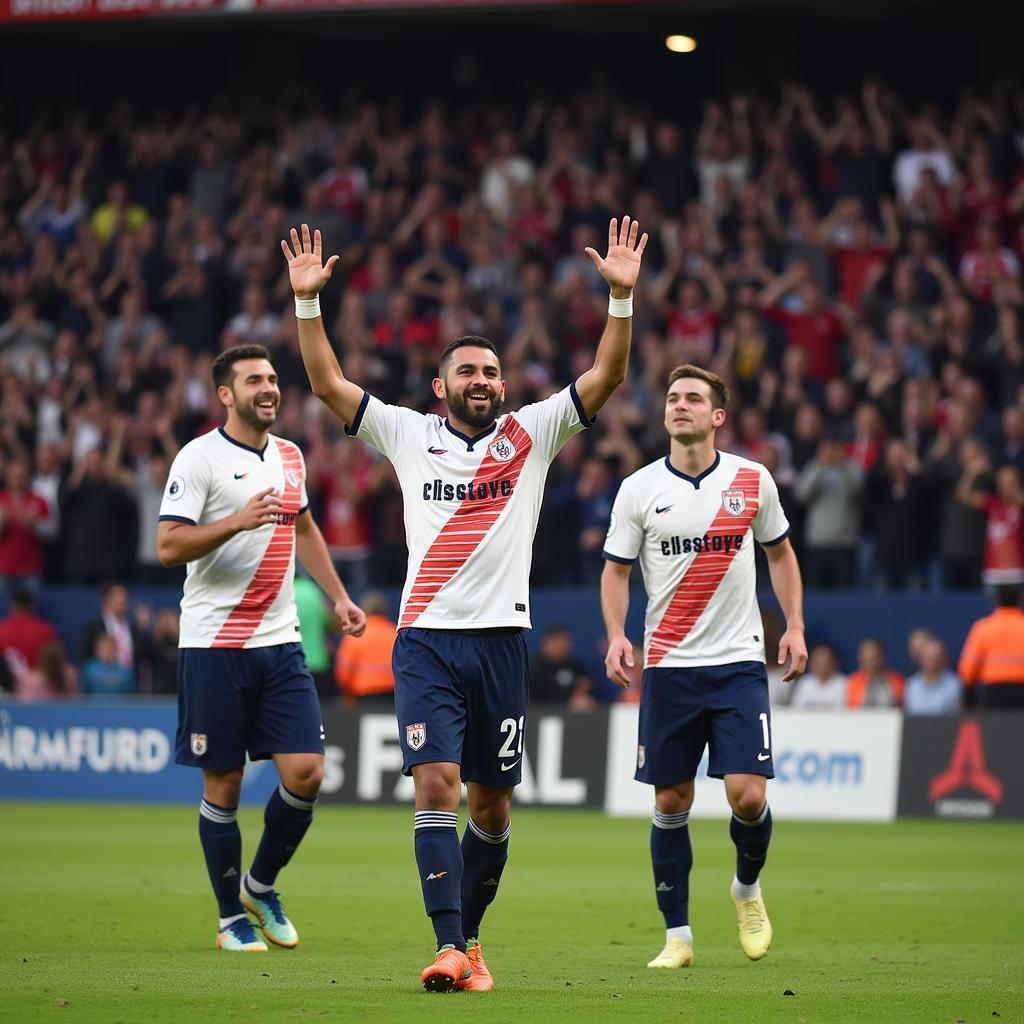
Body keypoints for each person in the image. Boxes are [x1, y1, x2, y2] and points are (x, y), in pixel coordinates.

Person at [283, 217, 647, 991]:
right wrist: (309, 307)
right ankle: (448, 945)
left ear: (502, 385)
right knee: (436, 787)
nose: (481, 381)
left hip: (502, 644)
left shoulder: (532, 434)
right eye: (467, 373)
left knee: (491, 812)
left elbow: (607, 378)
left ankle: (471, 941)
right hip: (425, 642)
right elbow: (325, 385)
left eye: (491, 372)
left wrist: (619, 300)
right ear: (441, 386)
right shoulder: (411, 436)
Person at [156, 343, 367, 954]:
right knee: (222, 786)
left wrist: (338, 597)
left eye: (273, 379)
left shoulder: (291, 456)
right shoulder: (198, 459)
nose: (269, 388)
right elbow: (169, 546)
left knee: (307, 773)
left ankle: (260, 884)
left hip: (280, 643)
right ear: (226, 394)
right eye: (254, 381)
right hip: (214, 644)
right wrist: (235, 522)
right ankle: (229, 919)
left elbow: (303, 527)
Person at [601, 364, 807, 971]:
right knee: (671, 799)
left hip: (738, 664)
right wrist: (616, 634)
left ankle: (746, 888)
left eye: (693, 398)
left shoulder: (751, 480)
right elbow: (615, 570)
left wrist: (794, 625)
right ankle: (678, 937)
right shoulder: (639, 489)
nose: (679, 405)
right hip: (668, 668)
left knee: (747, 798)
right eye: (672, 398)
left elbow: (782, 554)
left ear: (718, 415)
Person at [957, 585, 1024, 708]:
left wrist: (969, 697)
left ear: (996, 601)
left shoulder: (983, 628)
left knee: (995, 727)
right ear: (1019, 601)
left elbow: (968, 669)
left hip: (994, 692)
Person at [334, 591, 397, 706]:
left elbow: (344, 672)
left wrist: (348, 695)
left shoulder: (355, 635)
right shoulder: (395, 633)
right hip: (393, 696)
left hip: (364, 696)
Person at [528, 624, 595, 707]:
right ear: (545, 643)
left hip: (570, 716)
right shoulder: (533, 667)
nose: (562, 645)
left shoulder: (575, 666)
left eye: (565, 641)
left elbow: (585, 685)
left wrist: (581, 694)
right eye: (557, 641)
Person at [904, 636, 961, 715]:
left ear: (943, 659)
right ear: (921, 659)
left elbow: (955, 716)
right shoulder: (912, 684)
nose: (931, 663)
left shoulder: (954, 684)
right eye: (928, 658)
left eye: (935, 658)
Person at [845, 638, 904, 708]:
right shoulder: (853, 682)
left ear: (883, 656)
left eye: (874, 659)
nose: (871, 664)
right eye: (867, 660)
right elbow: (851, 710)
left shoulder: (897, 680)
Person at [788, 643, 847, 710]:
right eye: (817, 662)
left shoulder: (843, 683)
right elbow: (796, 709)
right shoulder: (805, 683)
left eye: (825, 663)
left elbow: (845, 712)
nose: (821, 667)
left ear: (834, 663)